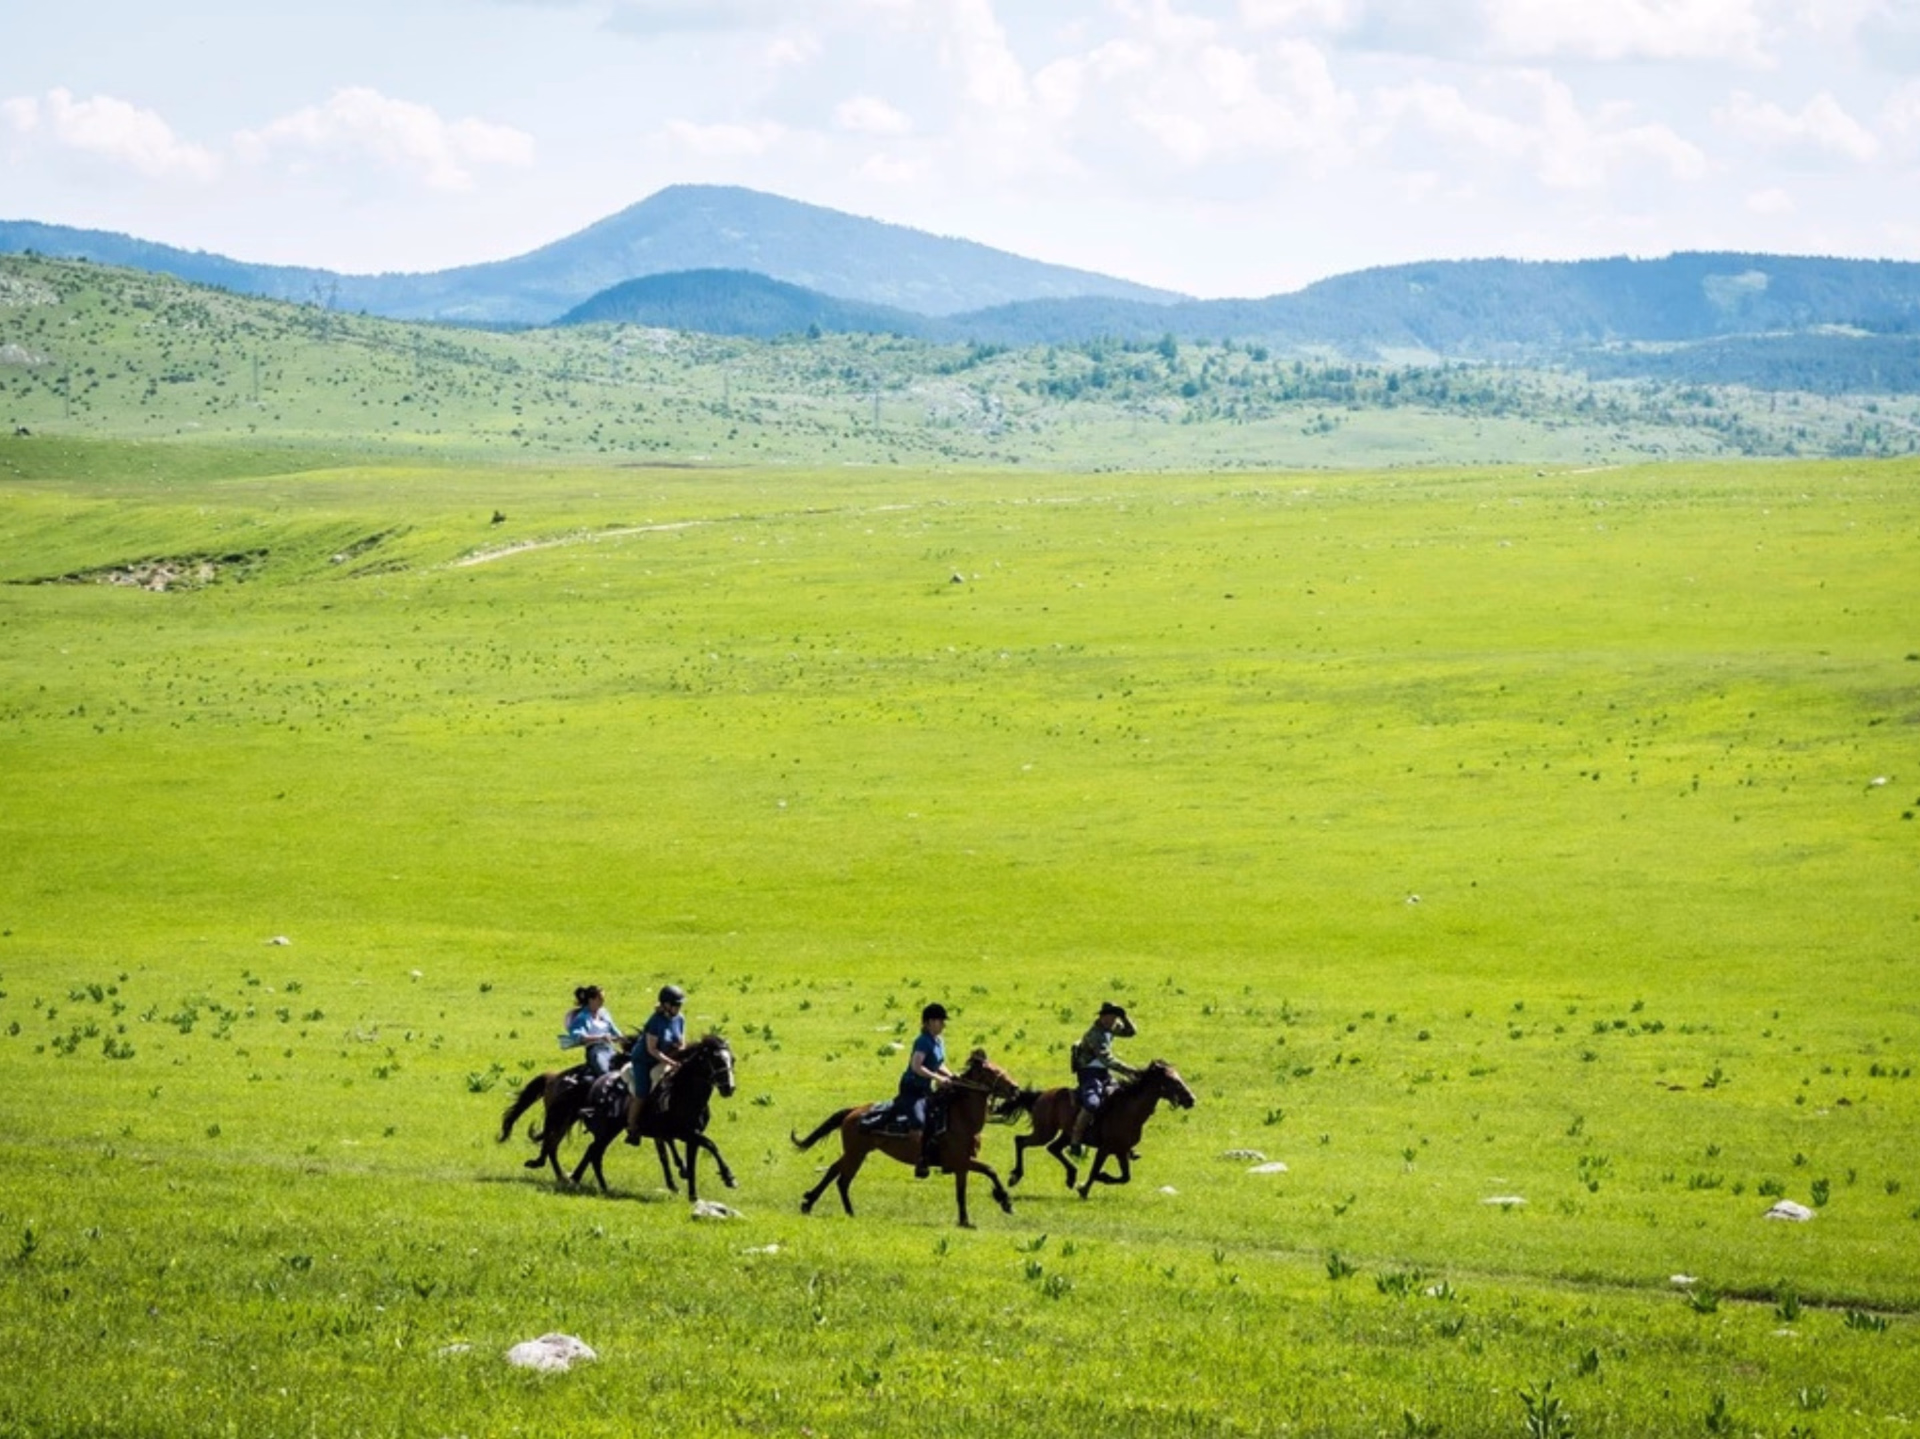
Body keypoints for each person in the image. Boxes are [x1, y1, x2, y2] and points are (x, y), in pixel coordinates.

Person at [1068, 1001, 1138, 1155]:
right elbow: (1107, 1059)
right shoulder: (1094, 1034)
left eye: (1115, 1018)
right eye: (1111, 1018)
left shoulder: (1110, 1029)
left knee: (1121, 1100)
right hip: (1089, 1072)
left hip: (1103, 1073)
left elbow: (1131, 1032)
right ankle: (1075, 1140)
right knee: (1093, 1103)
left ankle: (1122, 1141)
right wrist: (1129, 1071)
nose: (1113, 1022)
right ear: (1103, 1017)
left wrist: (1124, 1017)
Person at [901, 1002, 957, 1179]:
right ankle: (920, 1160)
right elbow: (917, 1066)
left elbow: (938, 1064)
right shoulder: (923, 1041)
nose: (943, 1025)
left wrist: (953, 1076)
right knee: (919, 1121)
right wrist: (939, 1079)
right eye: (940, 1021)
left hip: (925, 1088)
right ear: (930, 1022)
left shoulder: (939, 1041)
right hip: (912, 1088)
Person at [631, 983, 687, 1115]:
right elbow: (652, 1049)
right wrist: (671, 1062)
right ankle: (632, 1124)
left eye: (680, 1005)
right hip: (644, 1060)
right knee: (642, 1092)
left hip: (664, 1057)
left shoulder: (680, 1019)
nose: (679, 1008)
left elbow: (681, 1043)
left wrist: (680, 1058)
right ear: (666, 1005)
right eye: (676, 1005)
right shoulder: (655, 1021)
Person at [559, 985, 624, 1078]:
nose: (603, 1001)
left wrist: (622, 1038)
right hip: (596, 1052)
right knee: (605, 1073)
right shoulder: (583, 1017)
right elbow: (577, 1036)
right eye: (600, 999)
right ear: (591, 1000)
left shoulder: (604, 1013)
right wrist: (600, 1038)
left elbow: (614, 1030)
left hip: (610, 1049)